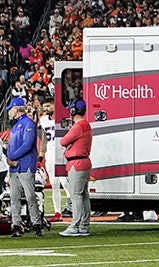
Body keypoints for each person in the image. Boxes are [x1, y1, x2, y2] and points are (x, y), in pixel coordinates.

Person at [5, 97, 43, 237]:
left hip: (24, 164)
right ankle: (17, 224)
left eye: (11, 109)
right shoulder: (19, 124)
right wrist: (10, 157)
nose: (10, 111)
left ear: (16, 109)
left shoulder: (28, 124)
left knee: (30, 196)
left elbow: (27, 144)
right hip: (17, 165)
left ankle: (36, 223)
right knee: (15, 197)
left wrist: (12, 157)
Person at [59, 99, 93, 237]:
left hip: (76, 163)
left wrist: (69, 147)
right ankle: (84, 225)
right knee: (84, 195)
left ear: (73, 111)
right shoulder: (86, 125)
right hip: (84, 162)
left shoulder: (78, 126)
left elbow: (63, 141)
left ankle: (75, 225)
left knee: (76, 195)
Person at [39, 102, 67, 220]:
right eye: (44, 106)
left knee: (65, 181)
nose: (45, 108)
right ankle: (58, 212)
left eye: (48, 106)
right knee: (54, 183)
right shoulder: (44, 120)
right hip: (50, 152)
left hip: (62, 151)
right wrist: (41, 154)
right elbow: (44, 137)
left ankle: (73, 207)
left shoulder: (63, 118)